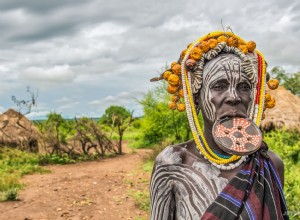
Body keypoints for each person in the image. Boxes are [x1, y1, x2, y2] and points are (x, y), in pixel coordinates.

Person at [150, 31, 288, 219]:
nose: (234, 96)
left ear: (254, 99)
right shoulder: (172, 163)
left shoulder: (270, 164)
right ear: (196, 98)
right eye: (219, 86)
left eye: (244, 87)